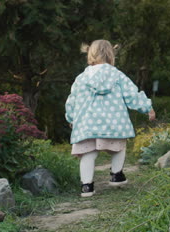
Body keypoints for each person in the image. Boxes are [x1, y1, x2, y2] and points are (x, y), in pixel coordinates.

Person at [65, 40, 155, 197]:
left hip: (87, 123)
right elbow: (131, 95)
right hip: (114, 122)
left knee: (88, 154)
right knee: (119, 147)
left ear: (90, 54)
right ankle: (116, 174)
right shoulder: (117, 75)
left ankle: (87, 186)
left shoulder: (81, 78)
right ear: (111, 55)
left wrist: (71, 117)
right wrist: (147, 107)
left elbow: (72, 100)